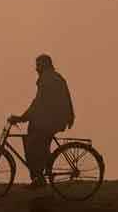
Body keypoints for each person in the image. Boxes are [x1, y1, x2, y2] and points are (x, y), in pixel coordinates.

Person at [8, 54, 75, 187]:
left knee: (33, 142)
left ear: (44, 65)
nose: (36, 68)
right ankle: (40, 175)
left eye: (38, 65)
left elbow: (38, 103)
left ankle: (39, 177)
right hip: (55, 118)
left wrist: (22, 118)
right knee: (36, 140)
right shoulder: (54, 77)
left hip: (52, 119)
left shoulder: (47, 79)